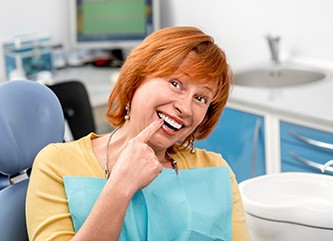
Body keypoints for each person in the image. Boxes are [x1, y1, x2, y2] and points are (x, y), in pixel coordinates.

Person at [26, 26, 251, 241]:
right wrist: (121, 185)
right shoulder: (56, 164)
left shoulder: (216, 171)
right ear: (135, 82)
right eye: (175, 83)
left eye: (201, 98)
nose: (185, 108)